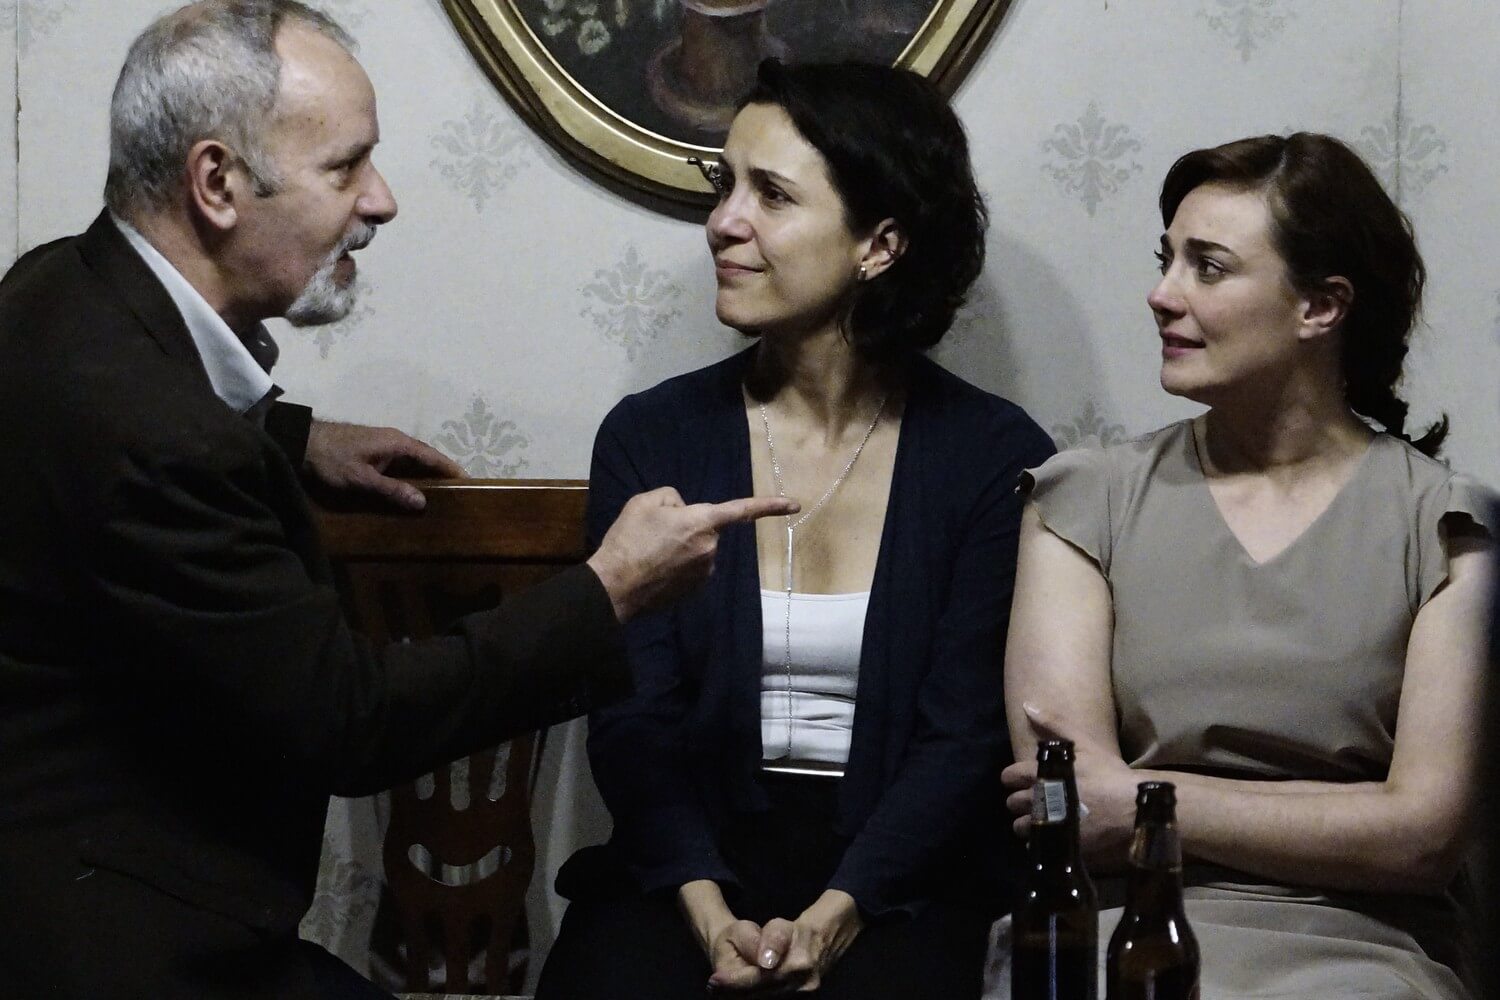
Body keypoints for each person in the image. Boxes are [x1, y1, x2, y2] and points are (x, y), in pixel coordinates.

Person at [0, 3, 794, 998]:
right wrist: (607, 592)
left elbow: (134, 421)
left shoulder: (61, 289)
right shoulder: (161, 438)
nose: (381, 201)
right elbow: (349, 722)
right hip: (122, 942)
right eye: (345, 168)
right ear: (217, 183)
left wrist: (291, 437)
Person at [536, 60, 1054, 1000]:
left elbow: (962, 736)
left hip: (903, 877)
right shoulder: (653, 436)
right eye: (724, 184)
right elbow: (633, 718)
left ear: (879, 244)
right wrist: (711, 919)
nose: (723, 222)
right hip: (685, 866)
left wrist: (834, 917)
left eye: (771, 195)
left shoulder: (990, 456)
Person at [996, 133, 1495, 999]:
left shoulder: (1447, 526)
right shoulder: (1083, 500)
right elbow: (1072, 815)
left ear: (1321, 307)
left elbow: (1422, 838)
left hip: (1365, 956)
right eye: (1165, 260)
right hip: (1113, 935)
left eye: (1209, 268)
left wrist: (1147, 800)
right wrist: (1348, 815)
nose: (1162, 294)